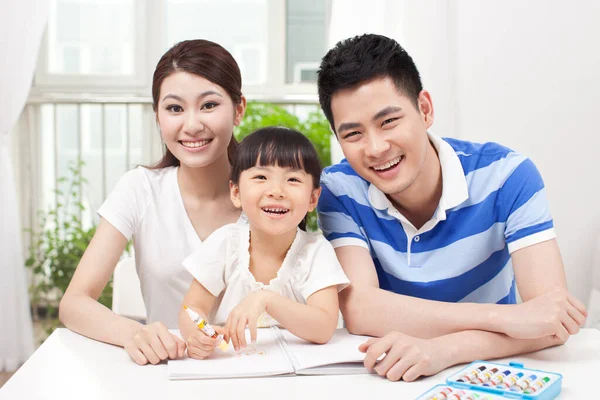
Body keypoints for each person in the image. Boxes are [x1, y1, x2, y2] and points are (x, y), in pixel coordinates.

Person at [316, 34, 587, 381]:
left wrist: (443, 351)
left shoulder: (507, 175)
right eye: (353, 134)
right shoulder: (340, 189)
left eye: (389, 121)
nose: (376, 147)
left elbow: (552, 321)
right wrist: (501, 318)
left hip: (497, 375)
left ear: (425, 109)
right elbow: (360, 309)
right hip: (389, 379)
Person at [59, 39, 247, 365]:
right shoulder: (140, 189)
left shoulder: (272, 194)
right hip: (168, 373)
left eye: (209, 105)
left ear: (239, 109)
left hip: (260, 372)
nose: (191, 125)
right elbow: (74, 302)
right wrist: (133, 333)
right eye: (174, 108)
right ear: (158, 117)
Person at [179, 127, 349, 358]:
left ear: (313, 198)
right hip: (232, 368)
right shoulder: (224, 242)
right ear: (236, 192)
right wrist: (195, 336)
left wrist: (266, 299)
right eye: (261, 177)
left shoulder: (317, 251)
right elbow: (192, 309)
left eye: (293, 179)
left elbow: (324, 327)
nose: (276, 191)